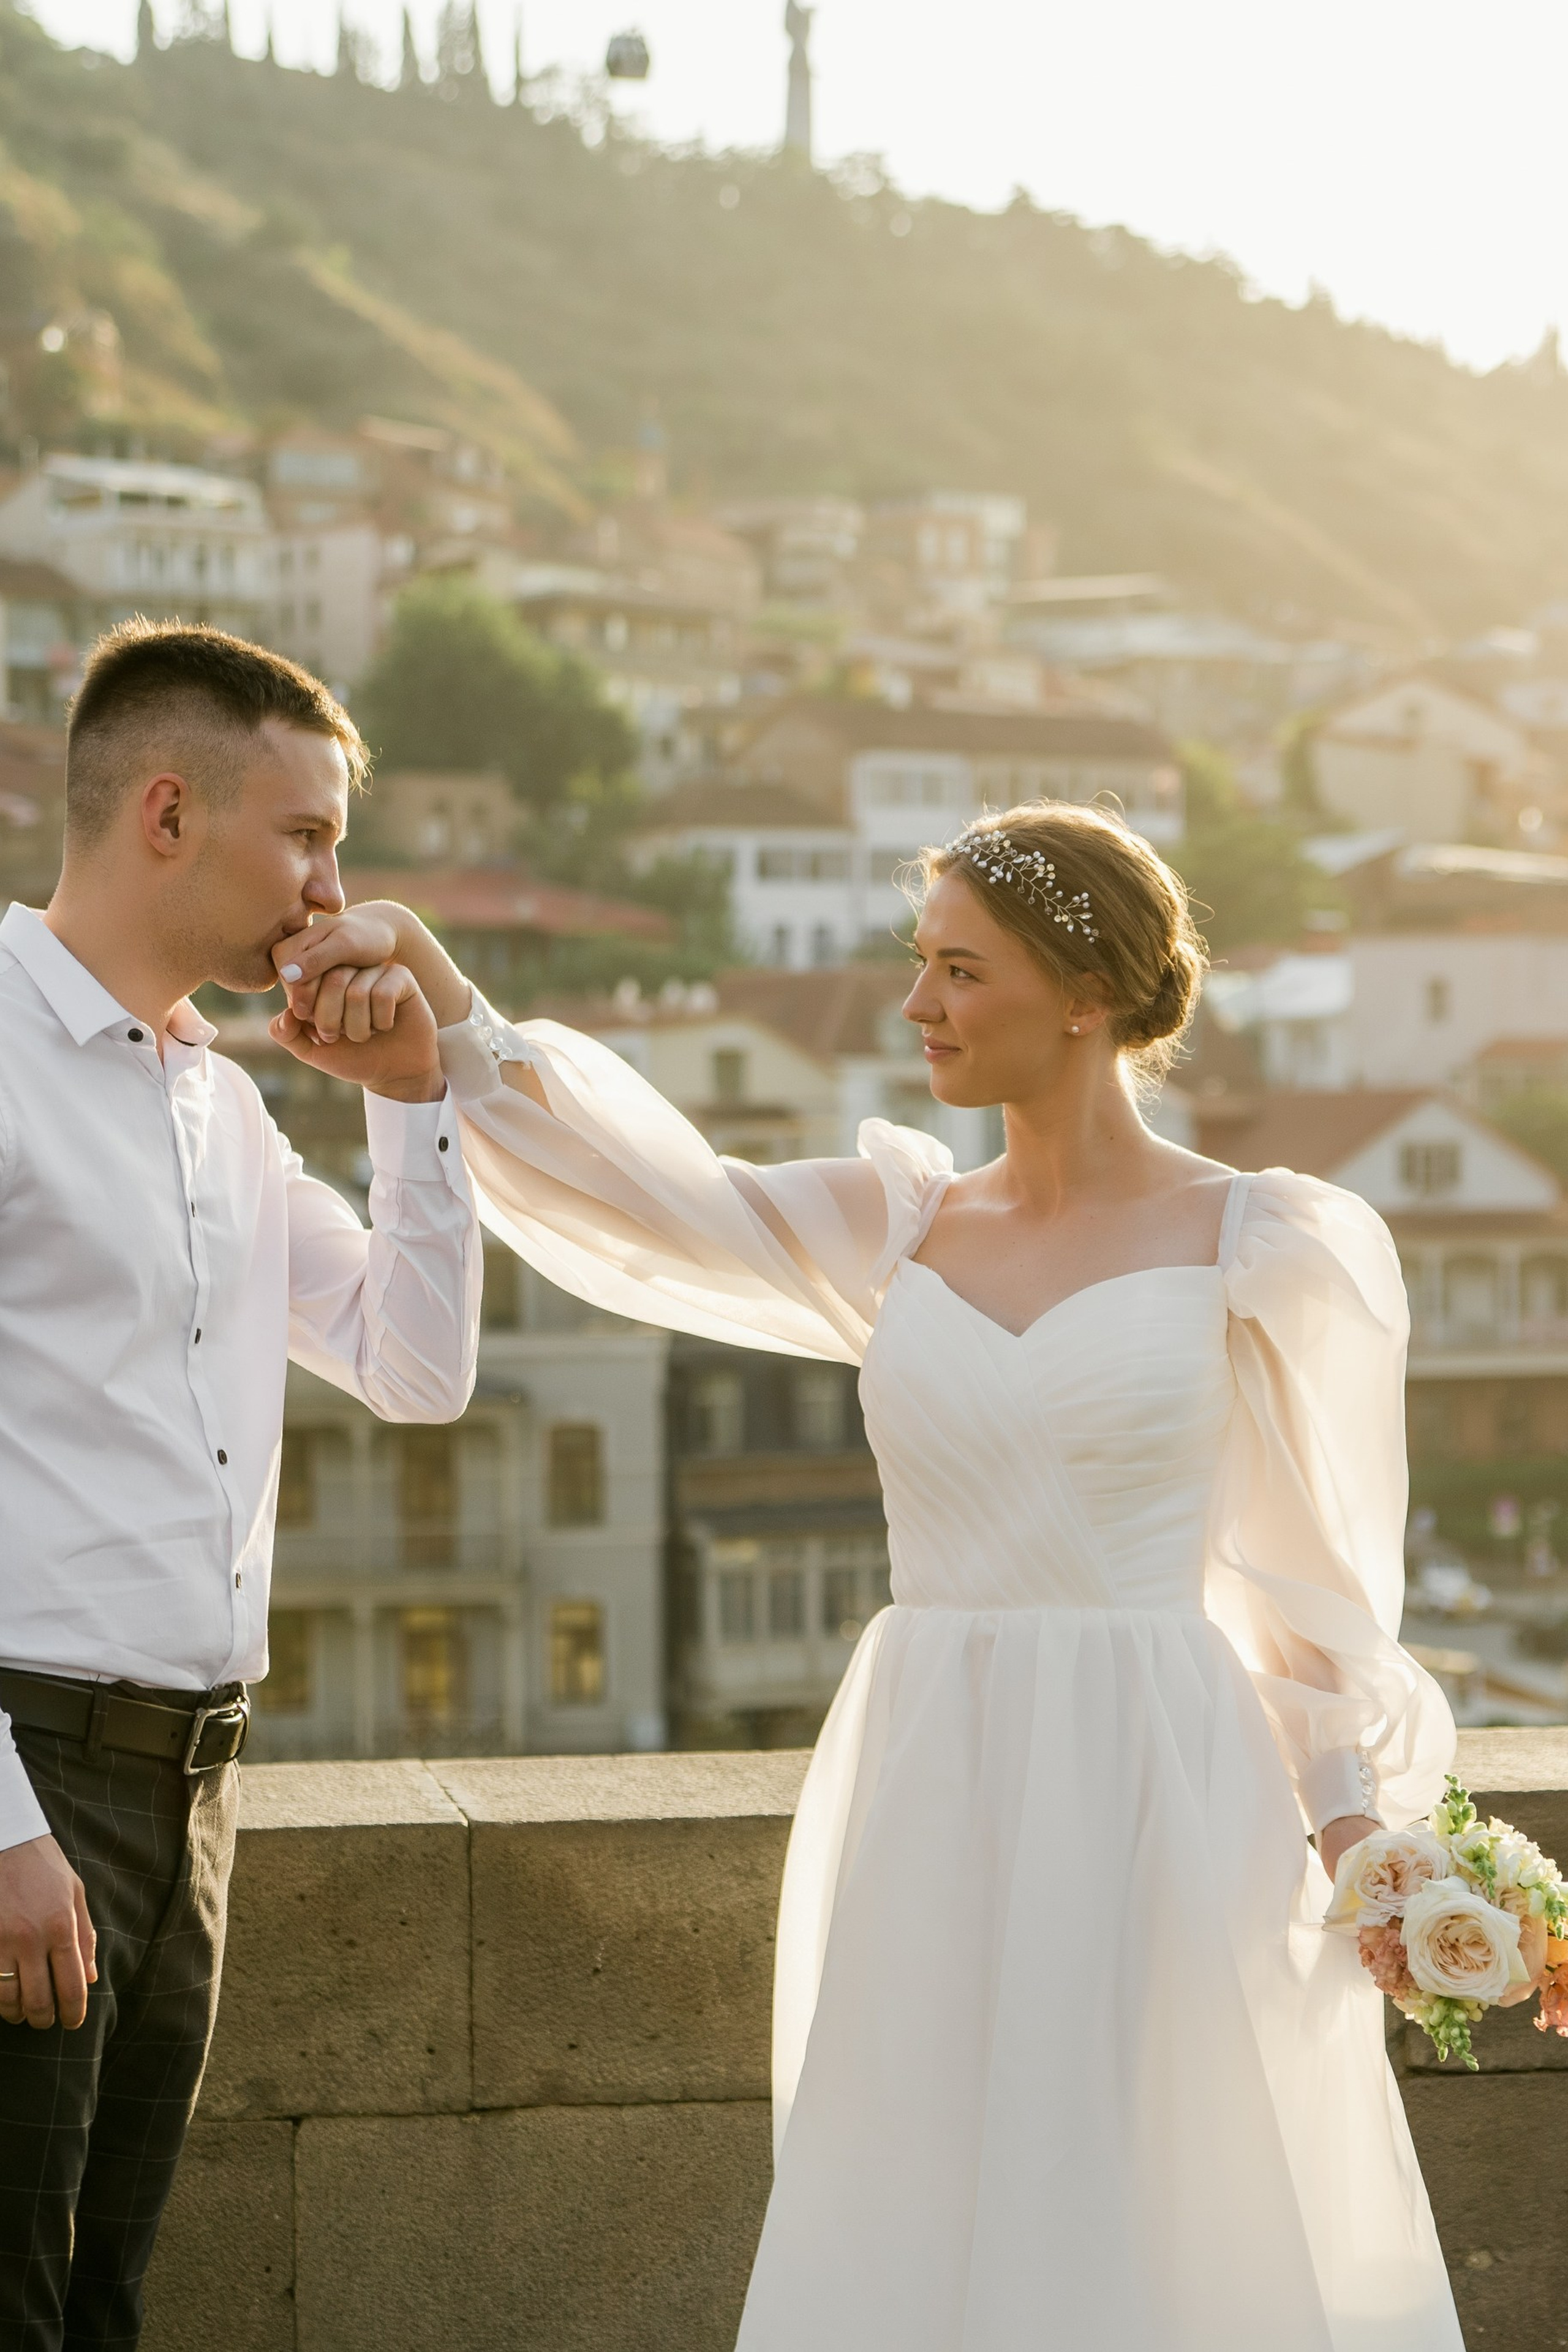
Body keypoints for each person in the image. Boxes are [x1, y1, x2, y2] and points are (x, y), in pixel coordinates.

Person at [273, 800, 1467, 2350]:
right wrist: (434, 984)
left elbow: (1313, 1592)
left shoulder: (1264, 1243)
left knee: (1176, 2205)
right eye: (919, 966)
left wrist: (1368, 1840)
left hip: (1165, 1793)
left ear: (1085, 993)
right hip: (933, 1779)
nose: (915, 1008)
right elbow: (650, 1196)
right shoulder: (897, 1224)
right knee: (925, 2195)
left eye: (959, 973)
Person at [0, 621, 481, 2351]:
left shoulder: (221, 1104)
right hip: (31, 1773)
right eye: (307, 836)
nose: (336, 887)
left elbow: (418, 1370)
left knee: (107, 2304)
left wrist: (414, 1099)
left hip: (197, 1784)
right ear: (167, 811)